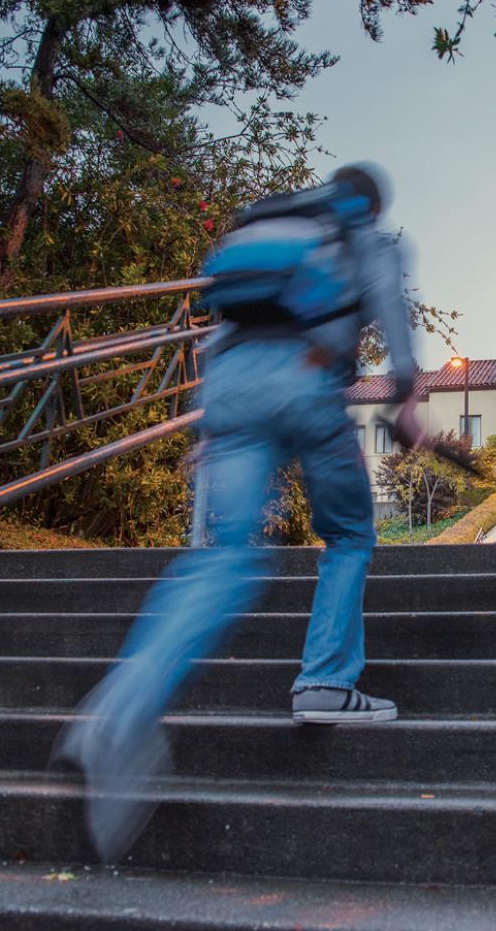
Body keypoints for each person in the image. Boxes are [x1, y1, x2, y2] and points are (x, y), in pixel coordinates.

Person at [54, 163, 420, 862]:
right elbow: (394, 332)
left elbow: (220, 327)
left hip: (229, 388)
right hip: (309, 382)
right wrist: (404, 400)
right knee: (348, 532)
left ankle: (122, 707)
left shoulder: (277, 224)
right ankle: (325, 682)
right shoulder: (368, 239)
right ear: (372, 205)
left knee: (226, 555)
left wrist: (211, 429)